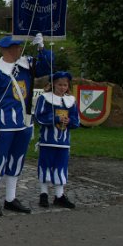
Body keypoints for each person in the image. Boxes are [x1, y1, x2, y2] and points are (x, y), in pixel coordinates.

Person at [0, 34, 53, 216]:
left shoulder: (26, 65)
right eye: (16, 47)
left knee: (17, 160)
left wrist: (41, 48)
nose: (20, 49)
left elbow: (48, 67)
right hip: (4, 124)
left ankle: (10, 198)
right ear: (7, 49)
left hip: (24, 123)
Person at [34, 71, 80, 209]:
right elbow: (38, 117)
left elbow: (76, 120)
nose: (62, 87)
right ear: (53, 84)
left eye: (65, 85)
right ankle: (43, 194)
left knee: (61, 167)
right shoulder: (44, 98)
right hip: (47, 141)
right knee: (45, 165)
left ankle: (59, 195)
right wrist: (55, 118)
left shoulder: (71, 101)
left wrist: (69, 121)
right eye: (60, 84)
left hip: (63, 143)